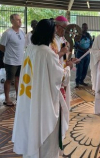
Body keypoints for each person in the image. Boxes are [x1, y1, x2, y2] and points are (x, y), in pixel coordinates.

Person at [12, 19, 69, 158]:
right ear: (49, 34)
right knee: (45, 131)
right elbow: (59, 77)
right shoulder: (47, 53)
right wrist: (68, 68)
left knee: (31, 126)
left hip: (29, 97)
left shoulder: (30, 49)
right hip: (42, 100)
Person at [0, 14, 25, 106]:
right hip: (11, 61)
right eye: (17, 20)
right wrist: (9, 54)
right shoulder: (7, 33)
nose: (20, 21)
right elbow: (2, 47)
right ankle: (7, 99)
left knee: (18, 79)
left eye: (20, 19)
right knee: (9, 79)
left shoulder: (22, 32)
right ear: (12, 21)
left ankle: (19, 96)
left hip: (20, 60)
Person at [50, 16, 74, 110]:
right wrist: (62, 52)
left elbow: (64, 58)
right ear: (57, 27)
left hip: (63, 72)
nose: (67, 32)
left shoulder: (63, 39)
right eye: (66, 29)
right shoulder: (51, 40)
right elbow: (50, 59)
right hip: (55, 74)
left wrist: (69, 61)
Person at [75, 23, 93, 88]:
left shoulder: (88, 35)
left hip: (87, 54)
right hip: (80, 54)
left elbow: (91, 43)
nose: (86, 29)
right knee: (79, 68)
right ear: (82, 27)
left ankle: (82, 81)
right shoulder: (78, 35)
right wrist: (83, 49)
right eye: (84, 27)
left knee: (85, 68)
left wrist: (89, 48)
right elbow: (76, 44)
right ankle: (77, 82)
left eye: (86, 27)